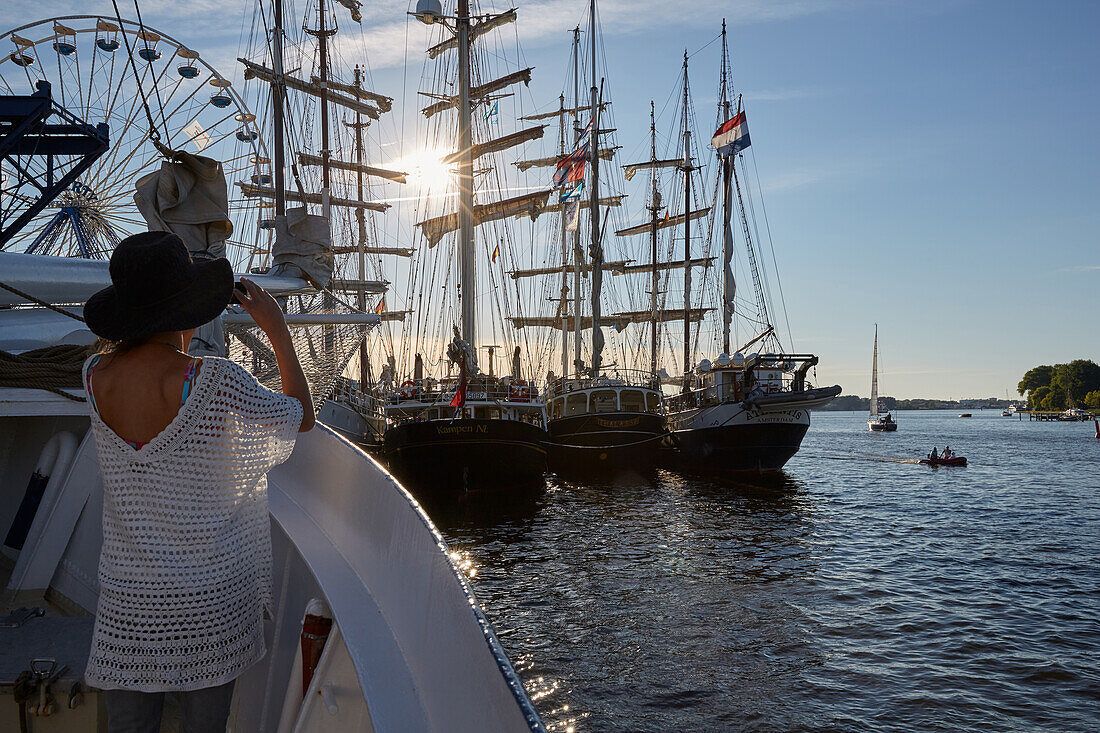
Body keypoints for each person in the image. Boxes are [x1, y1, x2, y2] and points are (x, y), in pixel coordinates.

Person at [80, 231, 314, 732]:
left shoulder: (94, 375)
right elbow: (300, 416)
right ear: (189, 307)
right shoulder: (213, 378)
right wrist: (277, 331)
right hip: (210, 599)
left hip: (131, 598)